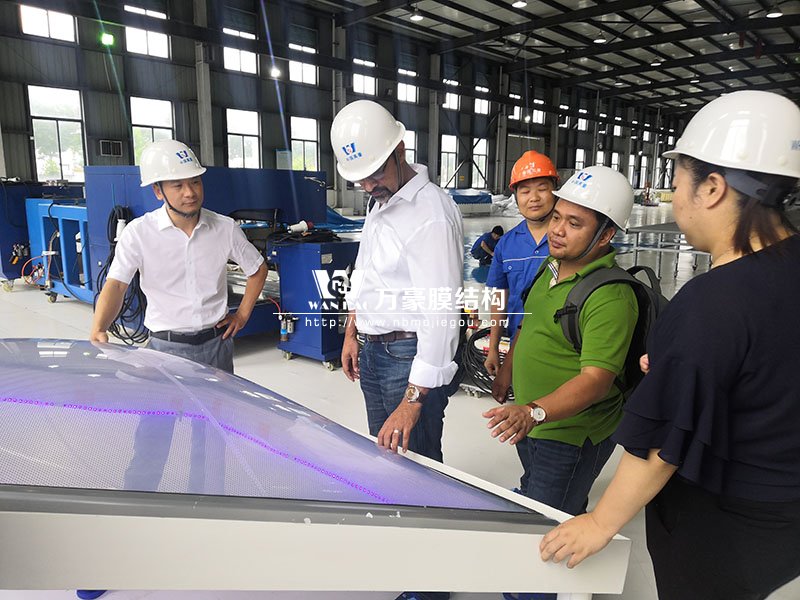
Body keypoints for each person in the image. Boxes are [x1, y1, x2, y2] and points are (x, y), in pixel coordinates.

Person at [540, 91, 800, 600]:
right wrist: (684, 365)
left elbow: (663, 439)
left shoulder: (712, 302)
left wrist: (600, 521)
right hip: (782, 514)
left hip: (723, 524)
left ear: (712, 188)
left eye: (678, 182)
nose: (675, 198)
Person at [332, 99, 462, 600]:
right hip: (375, 351)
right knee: (391, 464)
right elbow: (367, 274)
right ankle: (406, 559)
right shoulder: (382, 200)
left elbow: (440, 314)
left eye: (375, 173)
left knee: (419, 471)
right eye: (359, 178)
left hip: (408, 359)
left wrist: (413, 399)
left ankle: (431, 587)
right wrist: (353, 332)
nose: (368, 185)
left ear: (400, 150)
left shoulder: (430, 215)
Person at [485, 165, 638, 518]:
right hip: (531, 419)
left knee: (550, 518)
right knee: (536, 488)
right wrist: (507, 371)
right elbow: (528, 324)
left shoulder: (610, 297)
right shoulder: (551, 267)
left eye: (574, 223)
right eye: (557, 217)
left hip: (568, 434)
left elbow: (595, 381)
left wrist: (533, 411)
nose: (557, 230)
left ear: (605, 234)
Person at [90, 139, 267, 373]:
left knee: (218, 398)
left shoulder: (225, 228)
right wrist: (99, 327)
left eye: (195, 182)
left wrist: (242, 315)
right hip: (164, 348)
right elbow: (117, 285)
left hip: (217, 345)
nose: (190, 193)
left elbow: (258, 269)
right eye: (178, 185)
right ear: (158, 191)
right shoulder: (139, 233)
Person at [484, 151, 559, 378]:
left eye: (542, 189)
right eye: (525, 191)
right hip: (519, 346)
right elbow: (499, 297)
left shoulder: (568, 239)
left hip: (562, 347)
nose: (533, 198)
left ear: (555, 190)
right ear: (516, 197)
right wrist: (494, 347)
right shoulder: (506, 245)